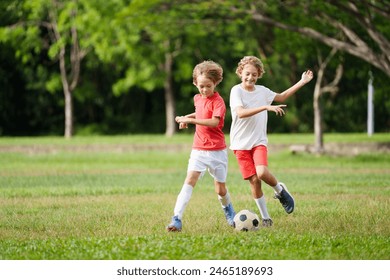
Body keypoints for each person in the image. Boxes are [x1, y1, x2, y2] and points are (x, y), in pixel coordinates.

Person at [229, 55, 313, 227]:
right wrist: (266, 107)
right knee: (254, 181)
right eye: (247, 73)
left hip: (258, 141)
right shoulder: (236, 91)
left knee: (261, 173)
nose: (250, 77)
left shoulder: (263, 91)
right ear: (240, 72)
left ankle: (280, 191)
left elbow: (281, 97)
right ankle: (266, 218)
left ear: (259, 74)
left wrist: (302, 82)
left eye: (254, 74)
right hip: (239, 144)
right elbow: (241, 113)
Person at [166, 60, 236, 232]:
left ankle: (229, 210)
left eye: (208, 86)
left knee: (220, 189)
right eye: (201, 86)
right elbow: (200, 112)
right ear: (195, 83)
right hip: (198, 150)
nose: (204, 90)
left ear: (215, 83)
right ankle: (176, 219)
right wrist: (186, 118)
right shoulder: (198, 98)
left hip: (217, 152)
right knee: (189, 180)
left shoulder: (218, 101)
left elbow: (213, 121)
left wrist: (190, 120)